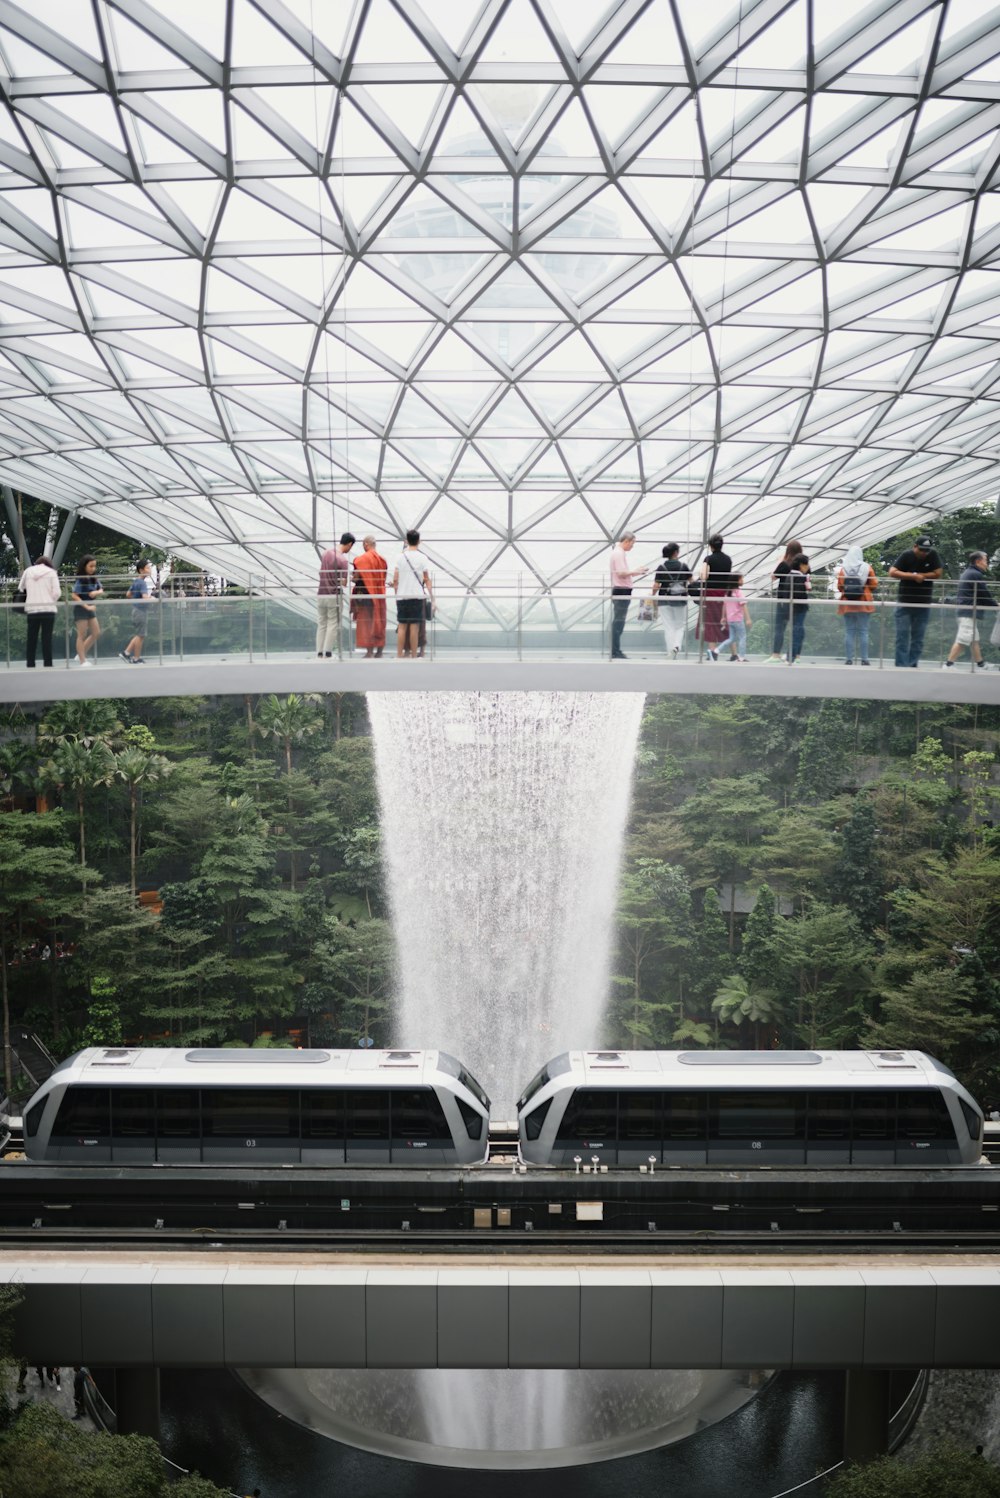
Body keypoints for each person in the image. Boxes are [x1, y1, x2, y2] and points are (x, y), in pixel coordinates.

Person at [889, 534, 942, 667]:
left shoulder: (933, 555)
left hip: (923, 604)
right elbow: (892, 572)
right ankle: (901, 665)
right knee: (902, 636)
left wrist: (922, 576)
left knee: (918, 638)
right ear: (915, 547)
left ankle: (913, 664)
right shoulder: (906, 555)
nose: (924, 553)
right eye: (922, 550)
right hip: (904, 602)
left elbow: (938, 573)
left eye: (927, 550)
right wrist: (913, 576)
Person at [942, 551, 996, 670]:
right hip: (968, 612)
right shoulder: (974, 574)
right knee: (963, 640)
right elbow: (984, 594)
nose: (987, 564)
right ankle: (948, 665)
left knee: (973, 640)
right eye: (985, 561)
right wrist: (996, 605)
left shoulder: (970, 573)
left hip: (966, 611)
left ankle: (981, 664)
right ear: (978, 561)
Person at [392, 529, 433, 659]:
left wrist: (396, 594)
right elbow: (426, 579)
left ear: (407, 541)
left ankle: (399, 655)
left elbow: (395, 579)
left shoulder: (400, 557)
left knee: (402, 626)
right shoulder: (423, 557)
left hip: (402, 596)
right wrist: (432, 596)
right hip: (417, 596)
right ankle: (414, 656)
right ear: (419, 541)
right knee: (415, 628)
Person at [836, 545, 878, 664]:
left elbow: (840, 587)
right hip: (863, 602)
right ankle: (864, 659)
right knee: (863, 632)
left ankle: (849, 659)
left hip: (848, 604)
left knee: (849, 631)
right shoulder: (867, 567)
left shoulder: (843, 569)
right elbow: (874, 584)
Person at [316, 532, 355, 658]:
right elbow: (343, 583)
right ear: (349, 544)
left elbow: (321, 572)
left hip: (321, 593)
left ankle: (319, 652)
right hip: (334, 595)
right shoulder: (343, 560)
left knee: (322, 623)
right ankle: (327, 652)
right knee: (333, 623)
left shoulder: (325, 553)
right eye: (351, 546)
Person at [609, 532, 647, 658]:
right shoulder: (619, 553)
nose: (632, 546)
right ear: (626, 541)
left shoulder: (619, 553)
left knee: (619, 621)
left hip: (621, 589)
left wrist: (637, 572)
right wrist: (636, 571)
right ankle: (615, 651)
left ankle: (616, 650)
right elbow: (621, 573)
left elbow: (624, 573)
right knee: (619, 621)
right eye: (632, 543)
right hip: (621, 590)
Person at [650, 543, 691, 658]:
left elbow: (656, 586)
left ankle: (670, 653)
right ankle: (676, 646)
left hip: (664, 600)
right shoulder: (684, 566)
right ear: (676, 553)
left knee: (669, 627)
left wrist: (652, 596)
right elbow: (691, 582)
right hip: (680, 600)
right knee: (679, 626)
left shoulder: (661, 568)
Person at [19, 554, 60, 669]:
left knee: (31, 637)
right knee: (47, 638)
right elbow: (57, 592)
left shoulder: (28, 571)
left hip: (32, 609)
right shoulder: (51, 573)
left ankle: (30, 663)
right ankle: (48, 663)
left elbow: (21, 588)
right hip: (48, 609)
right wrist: (51, 600)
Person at [695, 534, 733, 655]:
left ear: (711, 546)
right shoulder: (728, 559)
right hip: (724, 594)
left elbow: (704, 576)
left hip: (710, 593)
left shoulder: (708, 559)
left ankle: (712, 652)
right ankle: (734, 654)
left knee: (710, 622)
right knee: (725, 622)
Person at [351, 535, 388, 658]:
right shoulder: (382, 560)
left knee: (366, 623)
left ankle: (369, 652)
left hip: (366, 596)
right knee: (379, 622)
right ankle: (379, 652)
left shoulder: (362, 559)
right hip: (379, 595)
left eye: (363, 544)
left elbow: (356, 578)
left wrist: (354, 577)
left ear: (366, 544)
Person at [767, 539, 803, 660]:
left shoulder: (785, 564)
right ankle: (795, 656)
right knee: (796, 628)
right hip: (799, 601)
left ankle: (776, 655)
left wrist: (779, 560)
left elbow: (773, 576)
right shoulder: (802, 565)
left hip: (783, 600)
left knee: (780, 628)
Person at [71, 554, 102, 666]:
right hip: (81, 609)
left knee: (96, 632)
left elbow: (101, 589)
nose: (93, 568)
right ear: (84, 566)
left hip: (90, 609)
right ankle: (82, 660)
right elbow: (74, 595)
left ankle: (81, 654)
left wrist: (96, 592)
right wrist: (87, 606)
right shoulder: (80, 580)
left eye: (94, 566)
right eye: (91, 566)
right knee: (81, 634)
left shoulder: (94, 579)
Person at [120, 560, 154, 663]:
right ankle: (133, 656)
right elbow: (144, 597)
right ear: (141, 570)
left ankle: (129, 654)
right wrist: (152, 598)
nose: (150, 570)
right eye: (148, 568)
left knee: (139, 634)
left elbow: (128, 594)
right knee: (140, 635)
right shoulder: (142, 583)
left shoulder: (136, 581)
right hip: (140, 611)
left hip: (135, 610)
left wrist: (137, 600)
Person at [714, 573, 752, 661]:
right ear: (736, 581)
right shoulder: (738, 592)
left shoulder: (728, 593)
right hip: (738, 619)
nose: (742, 581)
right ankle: (741, 657)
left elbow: (724, 605)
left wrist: (723, 617)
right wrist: (748, 619)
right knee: (742, 637)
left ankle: (716, 651)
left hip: (730, 620)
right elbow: (743, 605)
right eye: (741, 579)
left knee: (732, 638)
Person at [787, 553, 811, 661]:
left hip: (791, 608)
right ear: (801, 565)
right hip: (799, 608)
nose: (808, 567)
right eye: (807, 565)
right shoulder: (800, 577)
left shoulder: (789, 575)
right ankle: (792, 655)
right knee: (798, 632)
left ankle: (792, 655)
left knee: (797, 631)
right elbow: (799, 593)